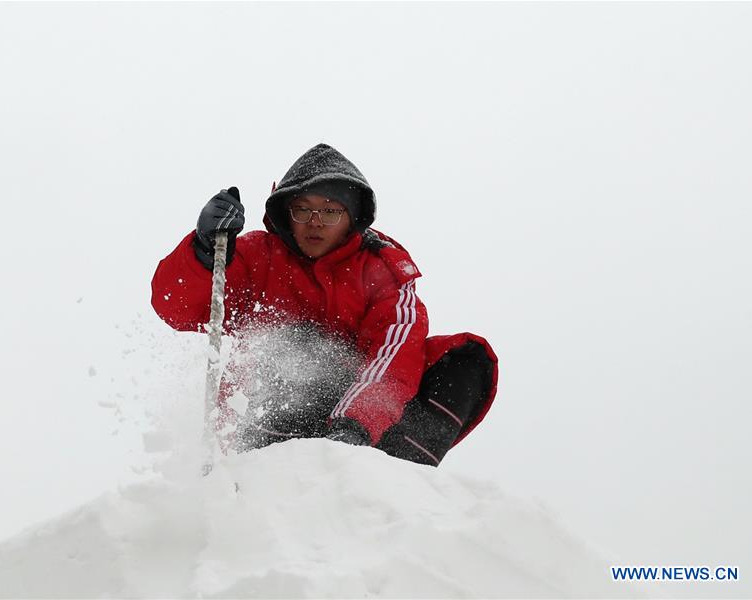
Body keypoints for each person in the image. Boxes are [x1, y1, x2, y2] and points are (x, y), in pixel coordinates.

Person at [151, 143, 498, 466]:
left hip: (360, 430)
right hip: (258, 426)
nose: (315, 221)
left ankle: (393, 475)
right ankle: (267, 471)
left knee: (466, 360)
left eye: (331, 211)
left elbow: (393, 357)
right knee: (293, 344)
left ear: (353, 218)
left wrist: (353, 427)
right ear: (287, 213)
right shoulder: (257, 257)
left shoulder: (383, 273)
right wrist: (203, 251)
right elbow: (176, 307)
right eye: (303, 210)